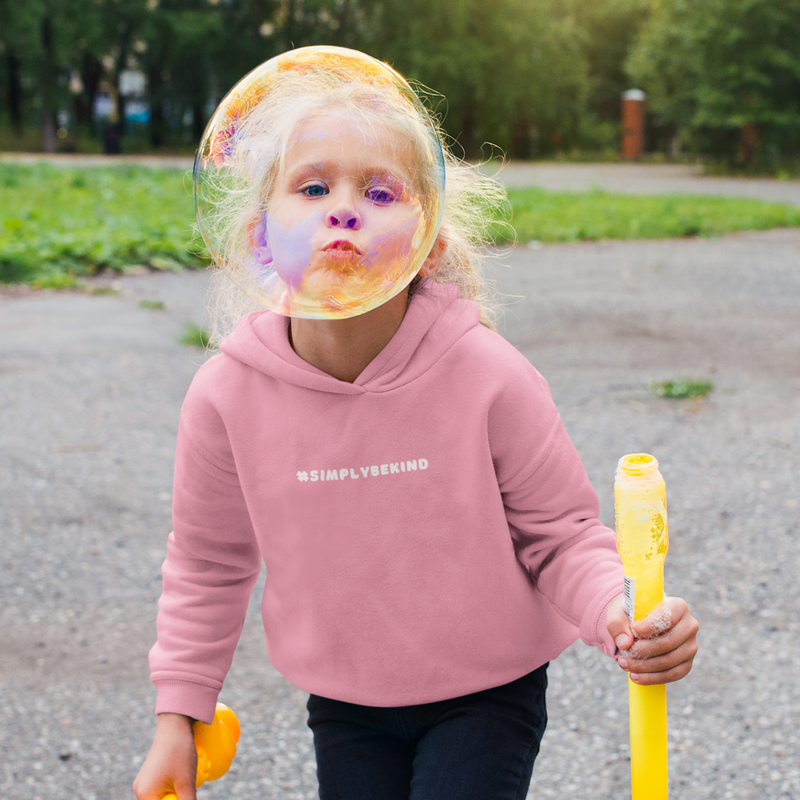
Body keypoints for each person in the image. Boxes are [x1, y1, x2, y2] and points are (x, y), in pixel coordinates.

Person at [133, 47, 698, 800]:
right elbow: (207, 564)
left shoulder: (488, 375)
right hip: (347, 702)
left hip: (487, 692)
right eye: (311, 186)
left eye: (378, 191)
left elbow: (560, 534)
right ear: (259, 234)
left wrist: (619, 613)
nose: (343, 208)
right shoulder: (225, 397)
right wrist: (179, 714)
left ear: (428, 239)